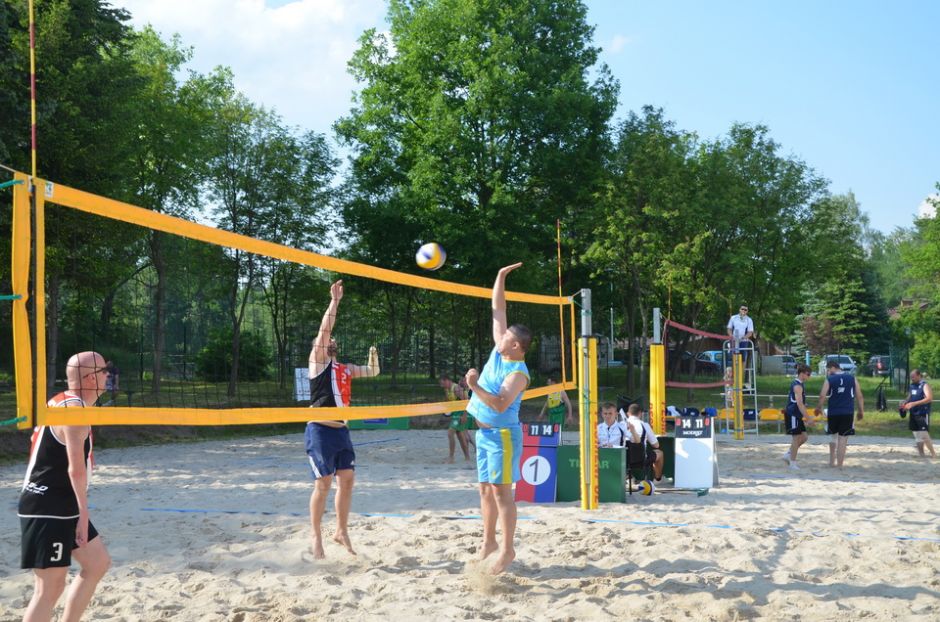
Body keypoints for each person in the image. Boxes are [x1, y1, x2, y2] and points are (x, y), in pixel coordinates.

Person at [18, 351, 112, 622]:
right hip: (47, 506)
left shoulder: (65, 401)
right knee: (49, 588)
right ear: (91, 378)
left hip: (60, 502)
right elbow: (75, 470)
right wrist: (83, 514)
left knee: (97, 564)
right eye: (105, 370)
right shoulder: (74, 411)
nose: (109, 375)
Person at [464, 263, 531, 576]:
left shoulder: (518, 372)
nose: (500, 336)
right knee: (485, 490)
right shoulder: (499, 352)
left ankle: (507, 549)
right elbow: (498, 309)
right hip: (484, 434)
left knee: (503, 493)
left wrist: (474, 385)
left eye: (505, 336)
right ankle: (489, 542)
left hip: (503, 436)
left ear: (515, 345)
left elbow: (502, 404)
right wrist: (500, 277)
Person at [306, 280, 380, 559]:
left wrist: (373, 355)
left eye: (334, 341)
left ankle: (340, 530)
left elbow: (373, 371)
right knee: (323, 484)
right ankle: (316, 535)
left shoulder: (344, 369)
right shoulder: (318, 362)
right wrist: (334, 302)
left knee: (347, 480)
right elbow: (325, 330)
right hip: (320, 430)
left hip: (341, 431)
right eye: (328, 341)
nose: (332, 341)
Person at [815, 359, 864, 468]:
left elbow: (822, 395)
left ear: (833, 368)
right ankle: (840, 465)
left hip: (833, 412)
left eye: (828, 370)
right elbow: (859, 396)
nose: (828, 373)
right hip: (847, 412)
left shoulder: (830, 379)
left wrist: (818, 407)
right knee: (843, 439)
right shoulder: (852, 378)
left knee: (833, 437)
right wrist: (861, 411)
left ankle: (831, 462)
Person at [782, 364, 815, 470]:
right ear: (802, 374)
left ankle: (788, 454)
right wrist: (808, 419)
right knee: (796, 438)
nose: (809, 376)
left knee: (804, 437)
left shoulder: (800, 384)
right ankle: (792, 463)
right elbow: (799, 404)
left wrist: (804, 405)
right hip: (793, 414)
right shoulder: (797, 386)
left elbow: (799, 402)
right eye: (808, 374)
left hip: (797, 414)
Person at [624, 403, 664, 481]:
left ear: (628, 413)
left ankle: (628, 476)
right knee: (660, 453)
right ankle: (658, 479)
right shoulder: (644, 425)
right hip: (640, 460)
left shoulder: (621, 425)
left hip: (623, 458)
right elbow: (656, 445)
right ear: (640, 413)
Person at [902, 369, 935, 458]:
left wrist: (914, 403)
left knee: (924, 435)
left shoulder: (924, 385)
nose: (911, 378)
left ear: (919, 375)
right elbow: (910, 396)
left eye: (913, 377)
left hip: (922, 413)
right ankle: (922, 454)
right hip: (913, 413)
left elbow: (929, 398)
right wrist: (904, 402)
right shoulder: (912, 385)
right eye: (911, 377)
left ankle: (933, 454)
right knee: (917, 435)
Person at [440, 375, 471, 463]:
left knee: (450, 433)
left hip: (460, 414)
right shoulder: (447, 390)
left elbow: (465, 402)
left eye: (443, 383)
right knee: (460, 435)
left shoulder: (456, 388)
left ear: (447, 380)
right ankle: (467, 457)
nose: (442, 385)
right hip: (455, 414)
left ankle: (451, 458)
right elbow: (448, 402)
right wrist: (446, 411)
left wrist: (464, 415)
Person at [727, 304, 755, 383]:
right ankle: (732, 377)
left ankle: (740, 378)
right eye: (742, 309)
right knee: (733, 357)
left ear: (747, 311)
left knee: (743, 359)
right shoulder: (733, 318)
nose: (744, 311)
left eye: (745, 310)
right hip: (734, 340)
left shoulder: (749, 320)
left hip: (743, 341)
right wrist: (732, 336)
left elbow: (750, 332)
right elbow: (729, 328)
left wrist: (743, 338)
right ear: (739, 309)